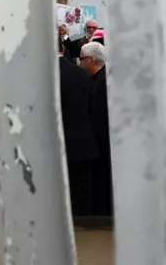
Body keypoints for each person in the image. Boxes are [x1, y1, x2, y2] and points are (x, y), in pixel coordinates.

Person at [58, 39, 99, 215]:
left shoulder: (39, 76)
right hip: (83, 145)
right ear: (62, 48)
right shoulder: (83, 74)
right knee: (82, 198)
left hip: (52, 148)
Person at [79, 42, 112, 216]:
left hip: (103, 148)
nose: (80, 63)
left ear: (91, 60)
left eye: (82, 59)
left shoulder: (101, 83)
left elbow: (100, 120)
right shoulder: (102, 79)